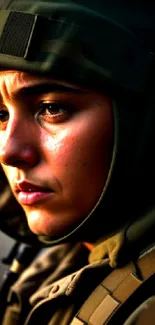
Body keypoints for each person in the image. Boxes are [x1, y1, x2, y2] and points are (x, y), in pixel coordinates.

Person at [0, 1, 155, 324]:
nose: (9, 151)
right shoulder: (58, 264)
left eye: (51, 108)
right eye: (0, 115)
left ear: (143, 120)